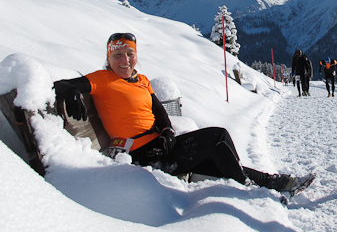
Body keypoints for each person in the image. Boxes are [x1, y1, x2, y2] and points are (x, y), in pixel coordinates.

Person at [53, 33, 315, 198]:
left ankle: (277, 183)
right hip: (142, 157)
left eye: (130, 54)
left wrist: (167, 130)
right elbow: (63, 84)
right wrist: (73, 93)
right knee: (218, 137)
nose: (125, 60)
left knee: (220, 158)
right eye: (118, 55)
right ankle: (250, 191)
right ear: (109, 57)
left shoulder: (141, 80)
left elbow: (158, 110)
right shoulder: (103, 79)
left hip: (162, 147)